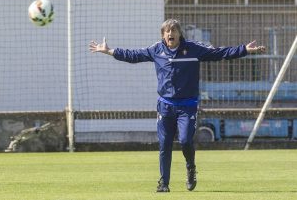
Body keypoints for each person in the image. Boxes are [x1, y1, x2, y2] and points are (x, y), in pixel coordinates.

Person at [89, 19, 265, 192]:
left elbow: (219, 53)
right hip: (165, 106)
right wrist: (109, 51)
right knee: (164, 143)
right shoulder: (156, 49)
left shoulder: (193, 49)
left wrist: (244, 50)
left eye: (173, 30)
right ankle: (164, 183)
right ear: (163, 35)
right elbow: (133, 55)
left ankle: (190, 168)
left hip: (187, 106)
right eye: (167, 31)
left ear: (180, 34)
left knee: (185, 141)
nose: (170, 33)